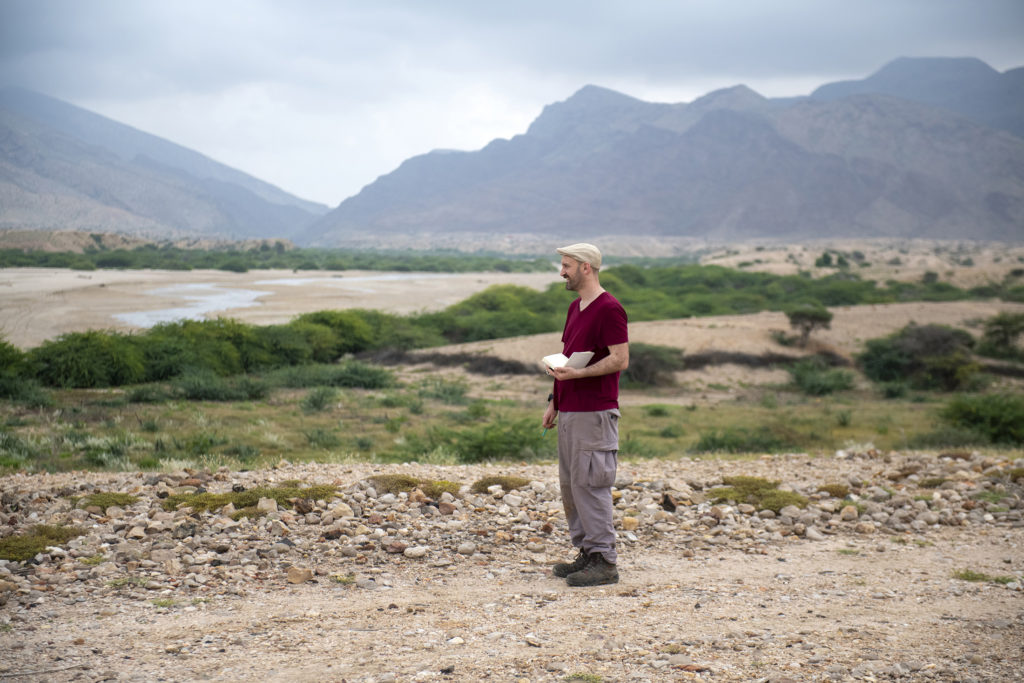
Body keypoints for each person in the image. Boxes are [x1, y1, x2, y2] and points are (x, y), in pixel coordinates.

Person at [542, 242, 629, 587]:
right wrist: (554, 401)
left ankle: (604, 561)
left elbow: (620, 359)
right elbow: (567, 358)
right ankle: (587, 554)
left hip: (595, 413)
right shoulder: (574, 308)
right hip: (571, 412)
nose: (561, 271)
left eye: (566, 265)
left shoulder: (609, 309)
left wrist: (578, 375)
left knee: (592, 484)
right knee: (572, 485)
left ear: (586, 268)